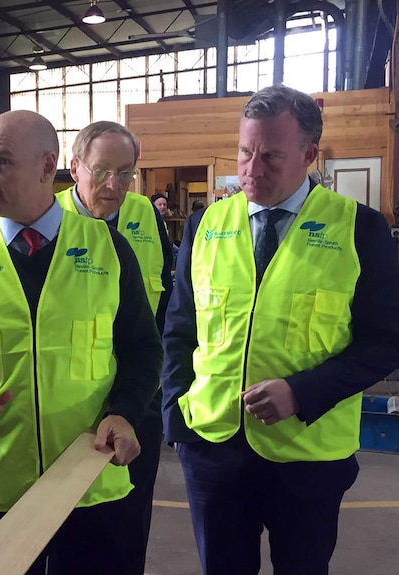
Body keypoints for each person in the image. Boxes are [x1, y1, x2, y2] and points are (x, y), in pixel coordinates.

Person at [162, 84, 399, 574]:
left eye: (270, 156)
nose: (251, 170)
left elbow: (386, 341)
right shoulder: (206, 224)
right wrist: (177, 421)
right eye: (245, 152)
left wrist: (301, 391)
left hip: (308, 456)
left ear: (309, 155)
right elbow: (181, 328)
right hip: (212, 450)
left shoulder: (359, 229)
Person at [0, 110, 161, 575]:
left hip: (89, 477)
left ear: (48, 167)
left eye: (3, 162)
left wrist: (126, 411)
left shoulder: (107, 249)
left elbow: (143, 348)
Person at [57, 121, 173, 573]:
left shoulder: (146, 216)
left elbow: (166, 301)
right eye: (102, 171)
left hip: (138, 402)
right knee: (70, 531)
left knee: (128, 526)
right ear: (74, 167)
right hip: (76, 408)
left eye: (125, 173)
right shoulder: (50, 224)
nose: (114, 185)